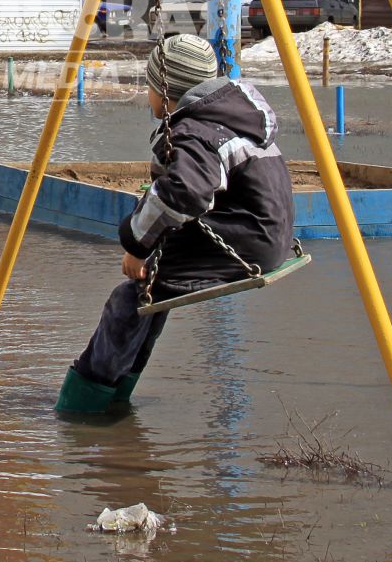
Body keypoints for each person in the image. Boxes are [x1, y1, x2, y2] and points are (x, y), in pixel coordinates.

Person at [56, 33, 296, 413]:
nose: (147, 96)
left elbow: (184, 193)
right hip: (271, 234)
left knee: (131, 297)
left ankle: (82, 404)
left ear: (167, 91)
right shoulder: (236, 116)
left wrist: (137, 244)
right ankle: (117, 398)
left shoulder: (195, 132)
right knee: (153, 295)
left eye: (150, 87)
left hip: (246, 241)